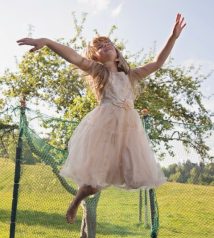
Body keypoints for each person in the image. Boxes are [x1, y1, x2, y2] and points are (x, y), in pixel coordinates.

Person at [16, 13, 186, 224]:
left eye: (108, 43)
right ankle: (78, 199)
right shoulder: (99, 72)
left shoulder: (130, 75)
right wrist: (47, 42)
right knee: (95, 184)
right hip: (105, 130)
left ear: (116, 54)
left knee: (136, 179)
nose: (105, 46)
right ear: (96, 57)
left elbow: (157, 62)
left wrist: (173, 37)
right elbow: (73, 57)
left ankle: (85, 193)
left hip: (130, 133)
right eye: (99, 46)